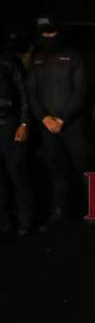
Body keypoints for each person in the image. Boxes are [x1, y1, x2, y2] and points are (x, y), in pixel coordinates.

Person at [25, 16, 90, 231]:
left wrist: (62, 118)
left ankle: (94, 209)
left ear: (59, 32)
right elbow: (31, 92)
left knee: (83, 167)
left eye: (52, 32)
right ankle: (59, 212)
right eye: (45, 33)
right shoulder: (37, 59)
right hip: (48, 127)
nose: (49, 36)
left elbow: (80, 90)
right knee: (56, 170)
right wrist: (44, 118)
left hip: (72, 124)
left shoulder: (73, 56)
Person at [0, 25, 34, 236]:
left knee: (18, 174)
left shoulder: (8, 61)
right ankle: (4, 222)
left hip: (9, 125)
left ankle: (25, 221)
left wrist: (24, 123)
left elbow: (24, 93)